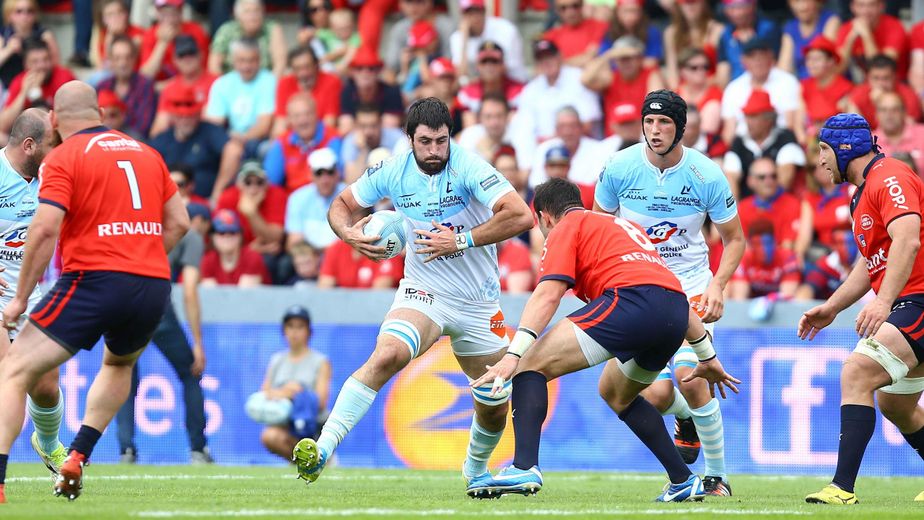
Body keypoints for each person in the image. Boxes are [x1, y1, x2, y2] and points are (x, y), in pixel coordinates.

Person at [290, 98, 534, 491]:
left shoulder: (470, 167)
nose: (435, 150)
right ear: (409, 139)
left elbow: (521, 215)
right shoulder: (392, 170)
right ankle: (322, 448)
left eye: (441, 141)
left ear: (450, 136)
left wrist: (461, 240)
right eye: (425, 142)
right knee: (387, 354)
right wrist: (349, 234)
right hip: (425, 291)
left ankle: (475, 471)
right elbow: (342, 204)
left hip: (478, 302)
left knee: (493, 403)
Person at [466, 178, 739, 500]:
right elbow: (674, 295)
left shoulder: (566, 226)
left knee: (528, 367)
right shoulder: (625, 228)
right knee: (616, 393)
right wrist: (707, 356)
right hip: (674, 313)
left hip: (631, 301)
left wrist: (514, 355)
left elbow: (548, 294)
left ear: (544, 217)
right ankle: (683, 480)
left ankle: (524, 467)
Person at [0, 80, 190, 503]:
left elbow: (44, 229)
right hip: (150, 282)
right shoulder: (147, 152)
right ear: (100, 115)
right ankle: (76, 454)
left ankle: (32, 458)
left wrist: (20, 298)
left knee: (25, 375)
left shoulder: (64, 158)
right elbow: (180, 222)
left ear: (56, 120)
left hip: (86, 279)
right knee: (118, 364)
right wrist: (142, 257)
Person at [593, 90, 746, 497]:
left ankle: (717, 477)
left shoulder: (706, 174)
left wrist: (717, 285)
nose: (655, 130)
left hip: (691, 287)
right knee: (658, 395)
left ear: (680, 129)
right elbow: (598, 230)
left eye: (664, 122)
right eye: (649, 121)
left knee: (691, 378)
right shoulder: (619, 167)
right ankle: (687, 418)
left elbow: (735, 239)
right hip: (640, 288)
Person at [800, 113, 924, 505]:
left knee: (857, 371)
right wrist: (832, 307)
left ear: (845, 147)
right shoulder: (862, 193)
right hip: (909, 300)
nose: (820, 160)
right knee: (895, 403)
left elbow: (908, 240)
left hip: (920, 299)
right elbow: (871, 262)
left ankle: (842, 488)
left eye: (823, 149)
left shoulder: (890, 176)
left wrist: (883, 302)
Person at [115, 201, 212, 465]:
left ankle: (126, 449)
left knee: (122, 375)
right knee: (190, 373)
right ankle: (198, 449)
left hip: (123, 302)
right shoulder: (192, 235)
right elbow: (189, 289)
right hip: (156, 304)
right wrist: (198, 343)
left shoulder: (142, 227)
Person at [0, 109, 65, 481]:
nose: (56, 151)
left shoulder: (50, 179)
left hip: (29, 294)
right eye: (50, 144)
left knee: (46, 385)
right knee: (8, 376)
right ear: (29, 145)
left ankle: (48, 442)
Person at [247, 305, 330, 460]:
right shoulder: (277, 360)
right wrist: (286, 392)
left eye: (300, 327)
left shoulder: (320, 361)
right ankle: (306, 462)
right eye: (290, 326)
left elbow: (321, 402)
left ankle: (320, 456)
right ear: (284, 331)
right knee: (270, 436)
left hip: (312, 426)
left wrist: (299, 394)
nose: (294, 332)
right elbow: (265, 393)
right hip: (285, 426)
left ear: (309, 331)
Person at [96, 35, 157, 139]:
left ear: (134, 59)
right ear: (110, 60)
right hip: (102, 139)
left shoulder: (145, 85)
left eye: (127, 57)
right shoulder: (102, 86)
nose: (123, 63)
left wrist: (118, 121)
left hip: (133, 141)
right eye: (117, 58)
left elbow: (143, 127)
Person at [209, 0, 287, 78]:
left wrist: (269, 82)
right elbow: (214, 65)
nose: (253, 16)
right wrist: (225, 83)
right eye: (247, 12)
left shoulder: (272, 28)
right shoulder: (226, 30)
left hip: (265, 80)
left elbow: (280, 63)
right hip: (231, 81)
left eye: (257, 11)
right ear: (237, 15)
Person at [200, 208, 271, 287]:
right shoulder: (208, 260)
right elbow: (211, 292)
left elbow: (245, 293)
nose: (227, 236)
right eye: (221, 232)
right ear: (212, 236)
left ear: (240, 235)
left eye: (232, 232)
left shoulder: (252, 257)